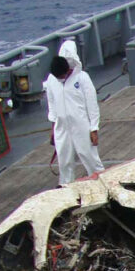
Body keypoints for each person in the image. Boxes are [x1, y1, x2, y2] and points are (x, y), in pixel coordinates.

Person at [44, 41, 103, 186]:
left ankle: (101, 182)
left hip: (81, 125)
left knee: (89, 157)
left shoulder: (82, 78)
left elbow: (92, 105)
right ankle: (66, 186)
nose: (60, 79)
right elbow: (51, 104)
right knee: (64, 160)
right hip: (61, 127)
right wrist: (53, 128)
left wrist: (94, 128)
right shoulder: (52, 80)